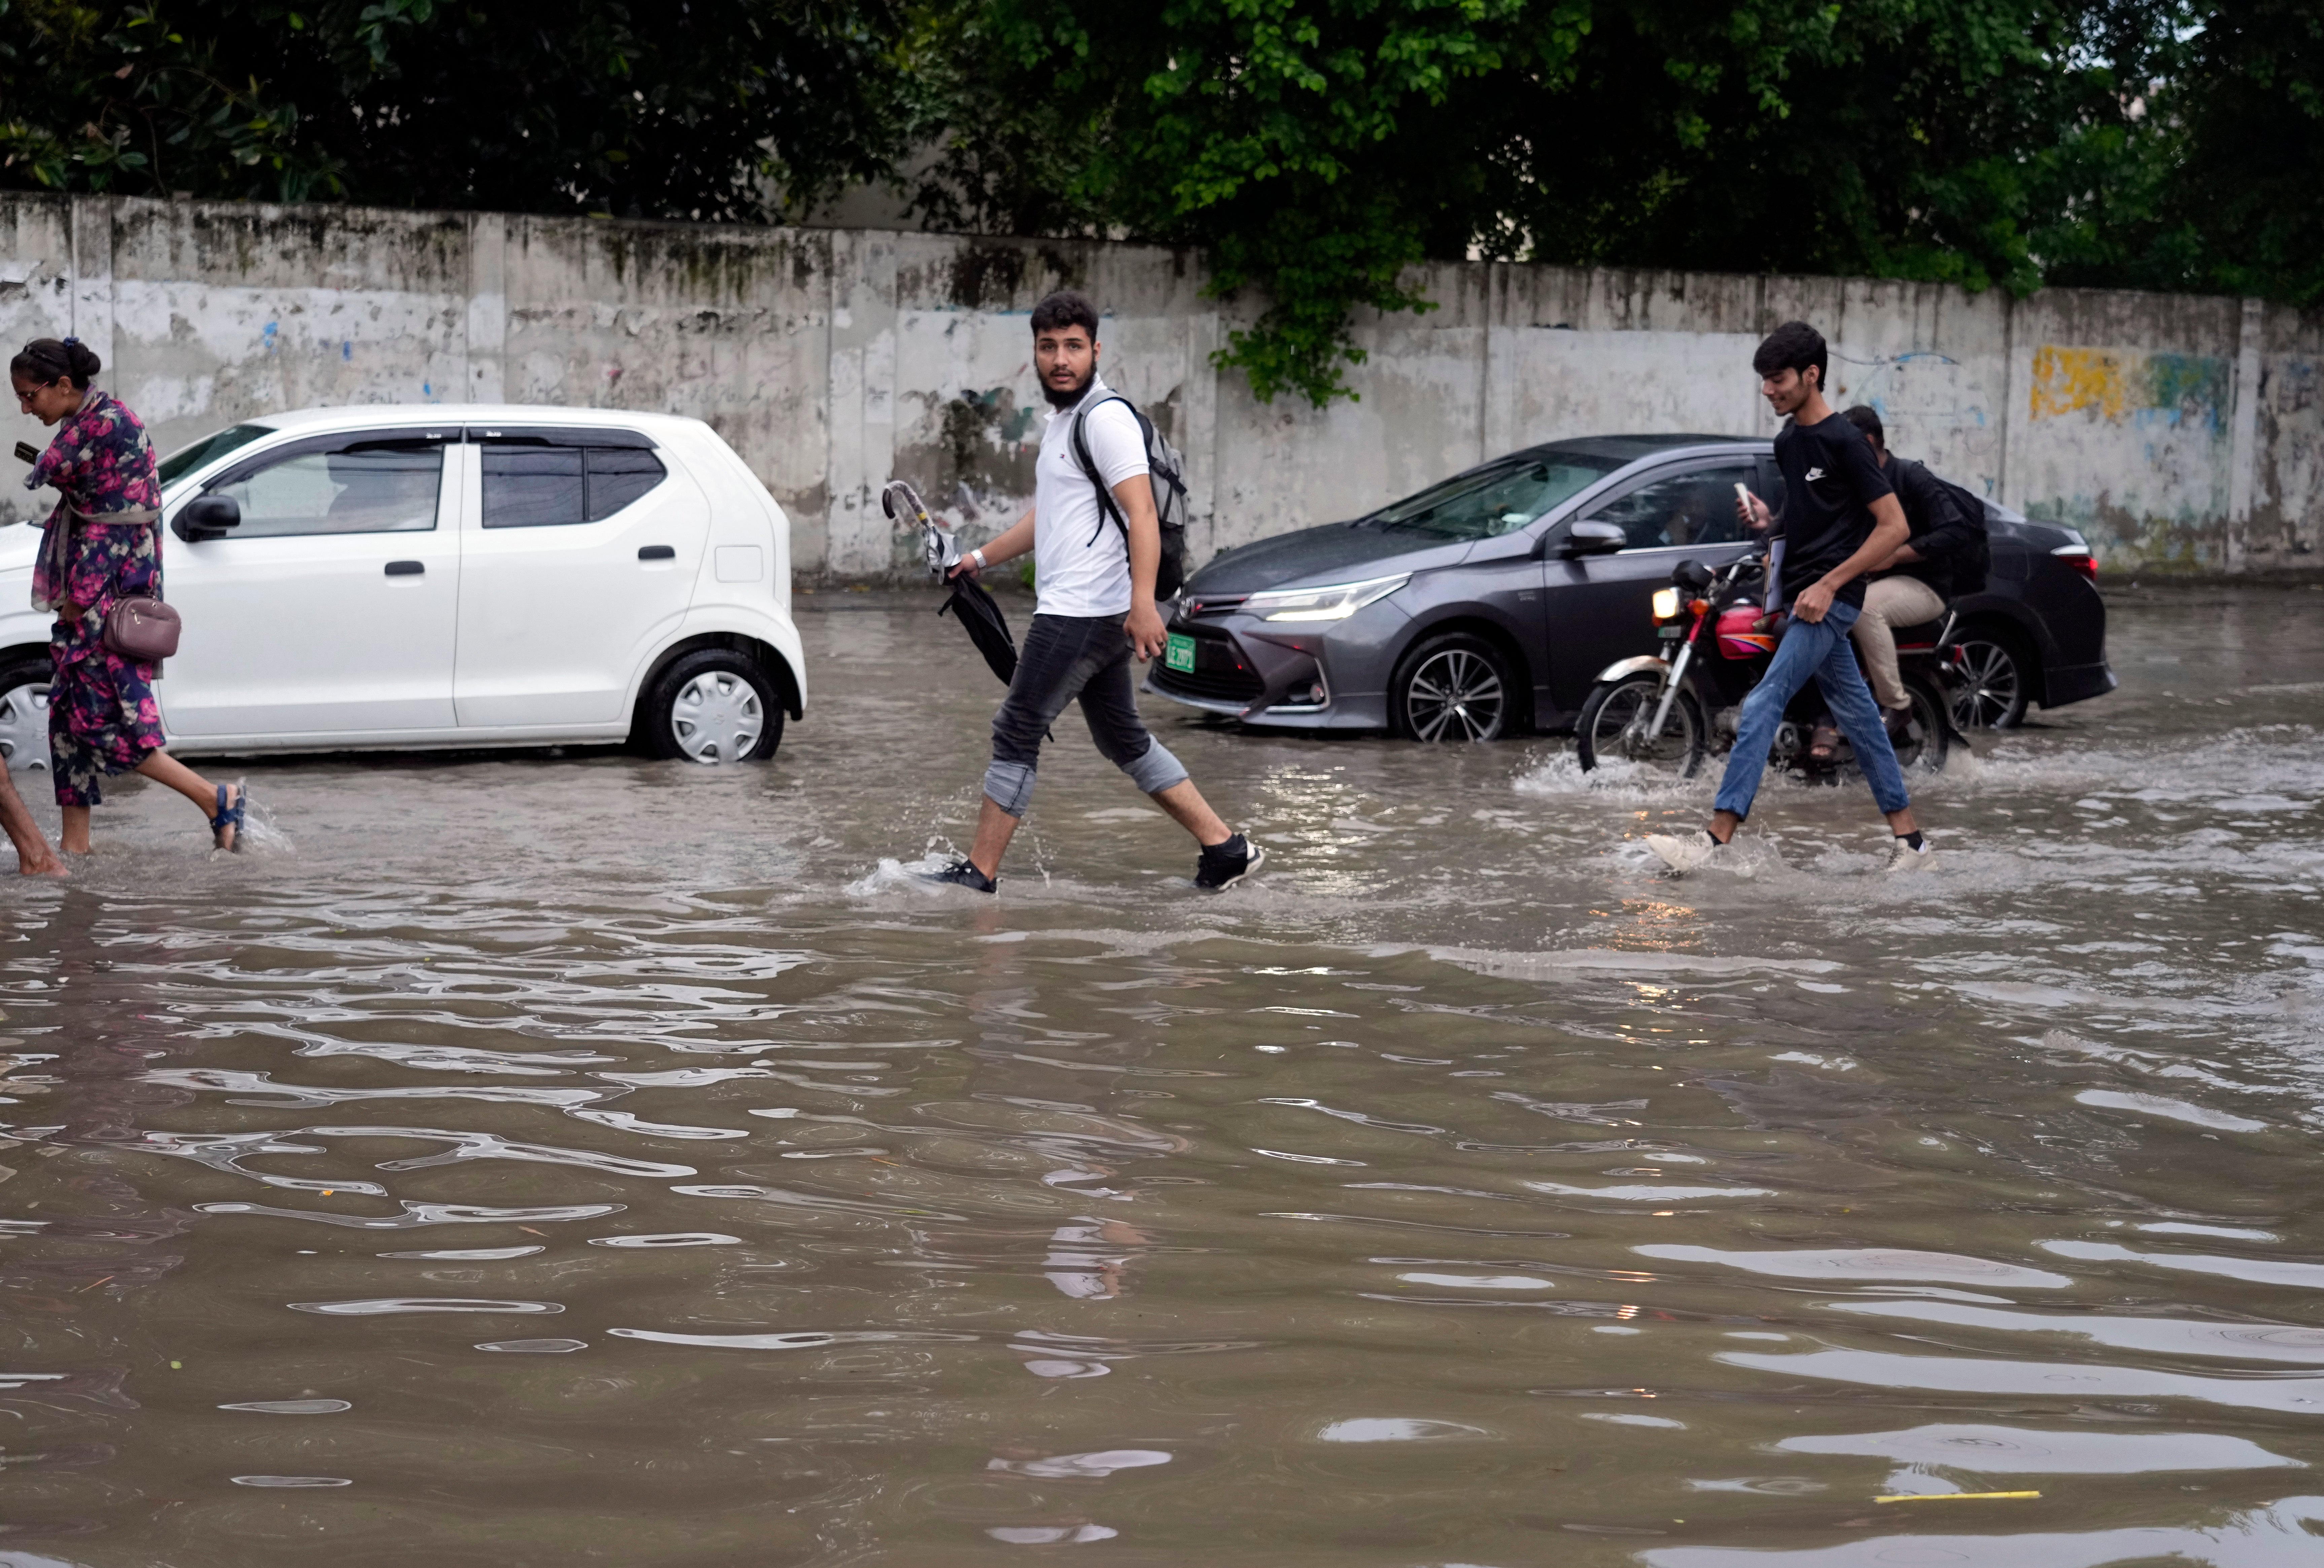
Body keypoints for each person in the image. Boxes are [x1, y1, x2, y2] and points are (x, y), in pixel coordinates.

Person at [919, 290, 1260, 893]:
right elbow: (1046, 516)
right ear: (1035, 354)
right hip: (1096, 611)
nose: (1061, 359)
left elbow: (1143, 516)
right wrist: (976, 558)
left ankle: (980, 873)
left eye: (1073, 346)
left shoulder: (1105, 419)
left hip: (1085, 610)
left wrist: (1143, 603)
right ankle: (1225, 847)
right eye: (1049, 347)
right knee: (1122, 737)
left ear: (1095, 350)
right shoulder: (1063, 423)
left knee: (1017, 726)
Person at [1646, 321, 1932, 874]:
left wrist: (1829, 584)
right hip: (1800, 597)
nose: (1767, 390)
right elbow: (1810, 519)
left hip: (1833, 599)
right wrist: (1769, 524)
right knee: (1862, 718)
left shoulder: (1846, 441)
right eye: (1764, 379)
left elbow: (1892, 526)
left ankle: (1712, 842)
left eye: (1777, 379)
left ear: (1811, 375)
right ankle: (1913, 844)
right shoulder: (1789, 442)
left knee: (1763, 701)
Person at [13, 338, 245, 853]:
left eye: (30, 397)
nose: (26, 409)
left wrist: (79, 598)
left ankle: (215, 796)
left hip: (105, 604)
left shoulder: (108, 425)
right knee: (66, 723)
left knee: (98, 723)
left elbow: (120, 521)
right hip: (89, 601)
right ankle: (76, 849)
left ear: (64, 386)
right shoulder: (87, 423)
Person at [1839, 404, 1984, 737]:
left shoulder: (1910, 477)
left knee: (1865, 607)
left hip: (1923, 586)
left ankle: (1896, 705)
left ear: (1867, 440)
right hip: (1867, 581)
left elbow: (1954, 530)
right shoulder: (1852, 483)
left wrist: (1895, 556)